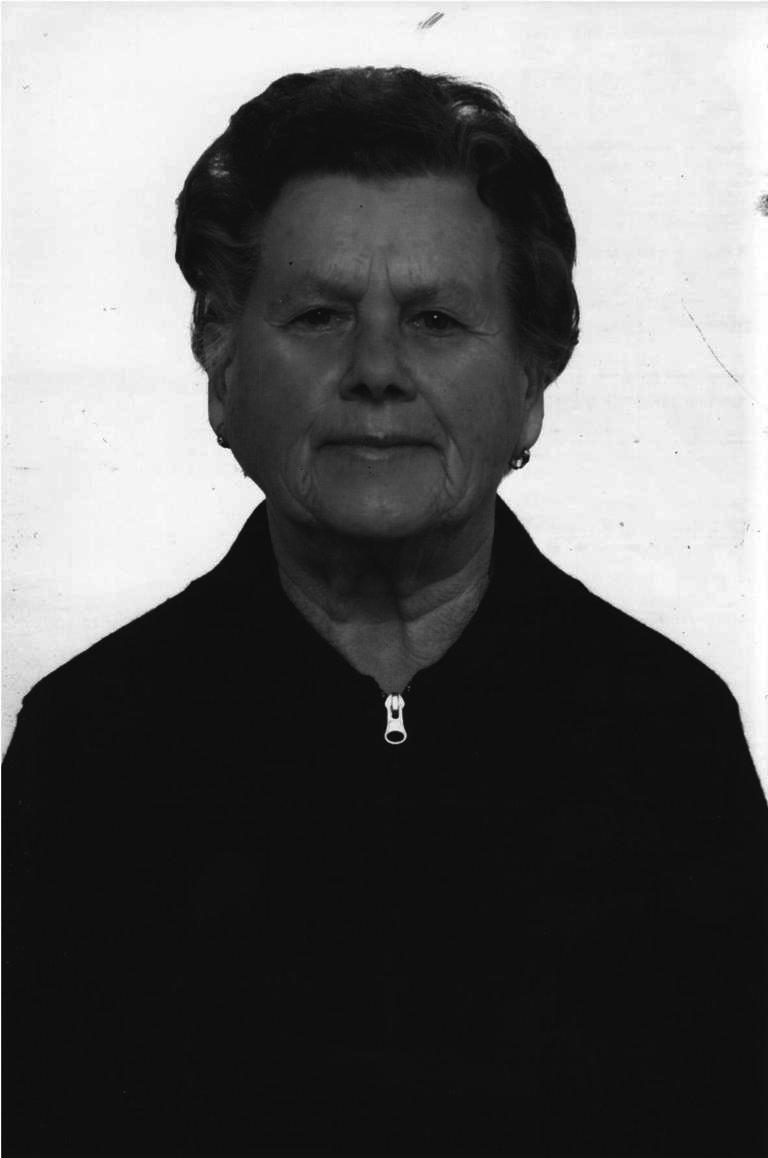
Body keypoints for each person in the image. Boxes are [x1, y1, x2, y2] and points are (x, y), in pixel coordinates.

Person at [4, 66, 766, 1158]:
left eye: (436, 319)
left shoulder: (668, 737)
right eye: (318, 316)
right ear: (221, 364)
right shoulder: (87, 749)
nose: (375, 370)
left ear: (531, 384)